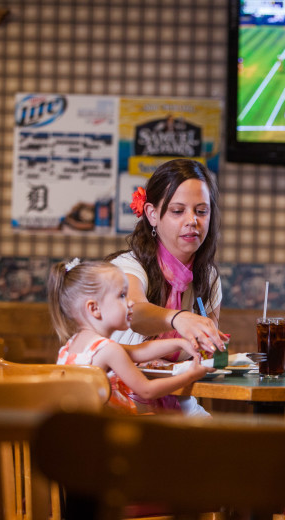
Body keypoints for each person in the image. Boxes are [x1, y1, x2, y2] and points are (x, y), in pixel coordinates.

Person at [108, 158, 228, 416]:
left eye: (201, 211)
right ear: (152, 214)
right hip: (121, 403)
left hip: (179, 401)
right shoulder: (127, 267)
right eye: (177, 211)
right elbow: (136, 313)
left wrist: (214, 350)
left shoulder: (208, 278)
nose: (192, 221)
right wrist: (179, 319)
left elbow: (209, 357)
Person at [48, 259, 214, 414]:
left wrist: (180, 343)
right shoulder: (108, 350)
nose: (130, 302)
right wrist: (190, 376)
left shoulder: (72, 345)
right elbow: (147, 390)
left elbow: (138, 351)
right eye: (121, 296)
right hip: (108, 436)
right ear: (94, 308)